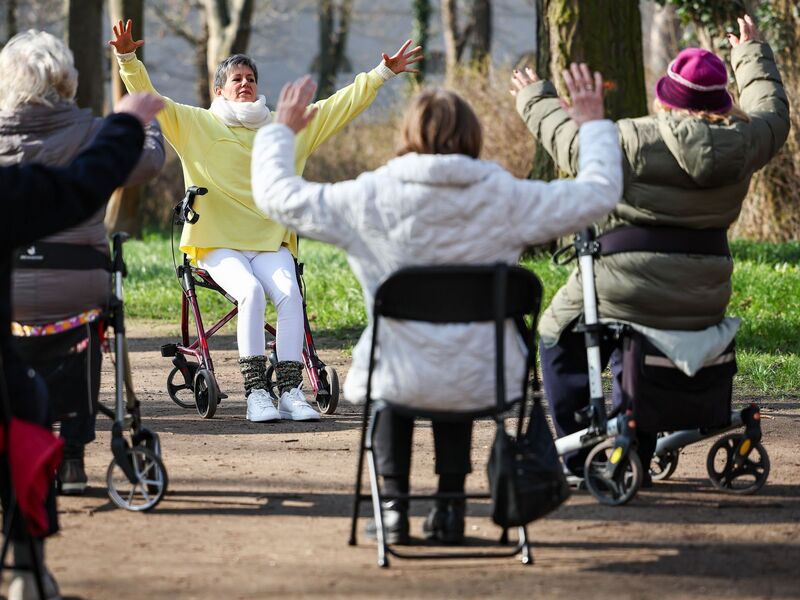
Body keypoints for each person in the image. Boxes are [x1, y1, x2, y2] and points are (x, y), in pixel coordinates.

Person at [251, 66, 622, 543]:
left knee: (399, 382)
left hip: (398, 370)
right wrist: (591, 124)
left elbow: (278, 197)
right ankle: (448, 507)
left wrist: (281, 134)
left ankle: (392, 510)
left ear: (408, 133)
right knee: (457, 370)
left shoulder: (371, 195)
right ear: (473, 135)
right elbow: (598, 195)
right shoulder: (505, 194)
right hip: (485, 374)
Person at [511, 14, 790, 480]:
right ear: (722, 99)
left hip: (625, 288)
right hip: (705, 292)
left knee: (556, 335)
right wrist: (750, 53)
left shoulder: (631, 137)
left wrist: (535, 99)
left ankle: (584, 450)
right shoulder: (745, 141)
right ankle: (647, 422)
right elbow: (774, 113)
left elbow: (572, 145)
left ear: (666, 97)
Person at [108, 19, 423, 423]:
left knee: (290, 295)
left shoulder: (284, 128)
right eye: (236, 78)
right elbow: (149, 97)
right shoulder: (196, 124)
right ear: (219, 89)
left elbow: (334, 108)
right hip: (216, 242)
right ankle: (257, 393)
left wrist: (381, 74)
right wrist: (127, 58)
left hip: (270, 241)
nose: (245, 84)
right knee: (251, 294)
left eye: (251, 78)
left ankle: (291, 392)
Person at [0, 92, 163, 600]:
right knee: (25, 403)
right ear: (65, 86)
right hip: (76, 295)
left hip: (15, 309)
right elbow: (121, 169)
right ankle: (68, 460)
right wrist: (134, 124)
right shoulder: (88, 132)